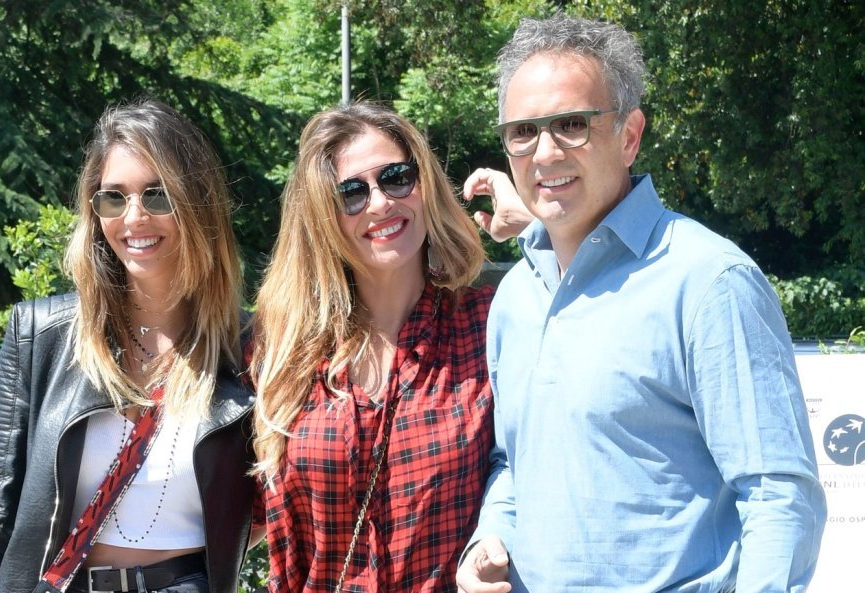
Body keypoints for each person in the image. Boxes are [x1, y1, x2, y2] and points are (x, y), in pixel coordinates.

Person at [457, 13, 826, 593]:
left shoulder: (709, 281)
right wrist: (489, 540)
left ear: (629, 136)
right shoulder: (515, 297)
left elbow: (779, 496)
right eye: (523, 131)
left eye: (572, 125)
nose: (545, 153)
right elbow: (512, 461)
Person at [0, 99, 255, 593]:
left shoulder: (249, 348)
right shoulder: (42, 334)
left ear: (197, 205)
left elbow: (281, 506)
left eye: (157, 195)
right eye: (114, 198)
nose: (134, 217)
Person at [248, 102, 494, 592]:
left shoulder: (489, 326)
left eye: (396, 178)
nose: (380, 203)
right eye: (351, 193)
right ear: (323, 217)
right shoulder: (280, 351)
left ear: (425, 185)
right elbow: (233, 517)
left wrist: (534, 230)